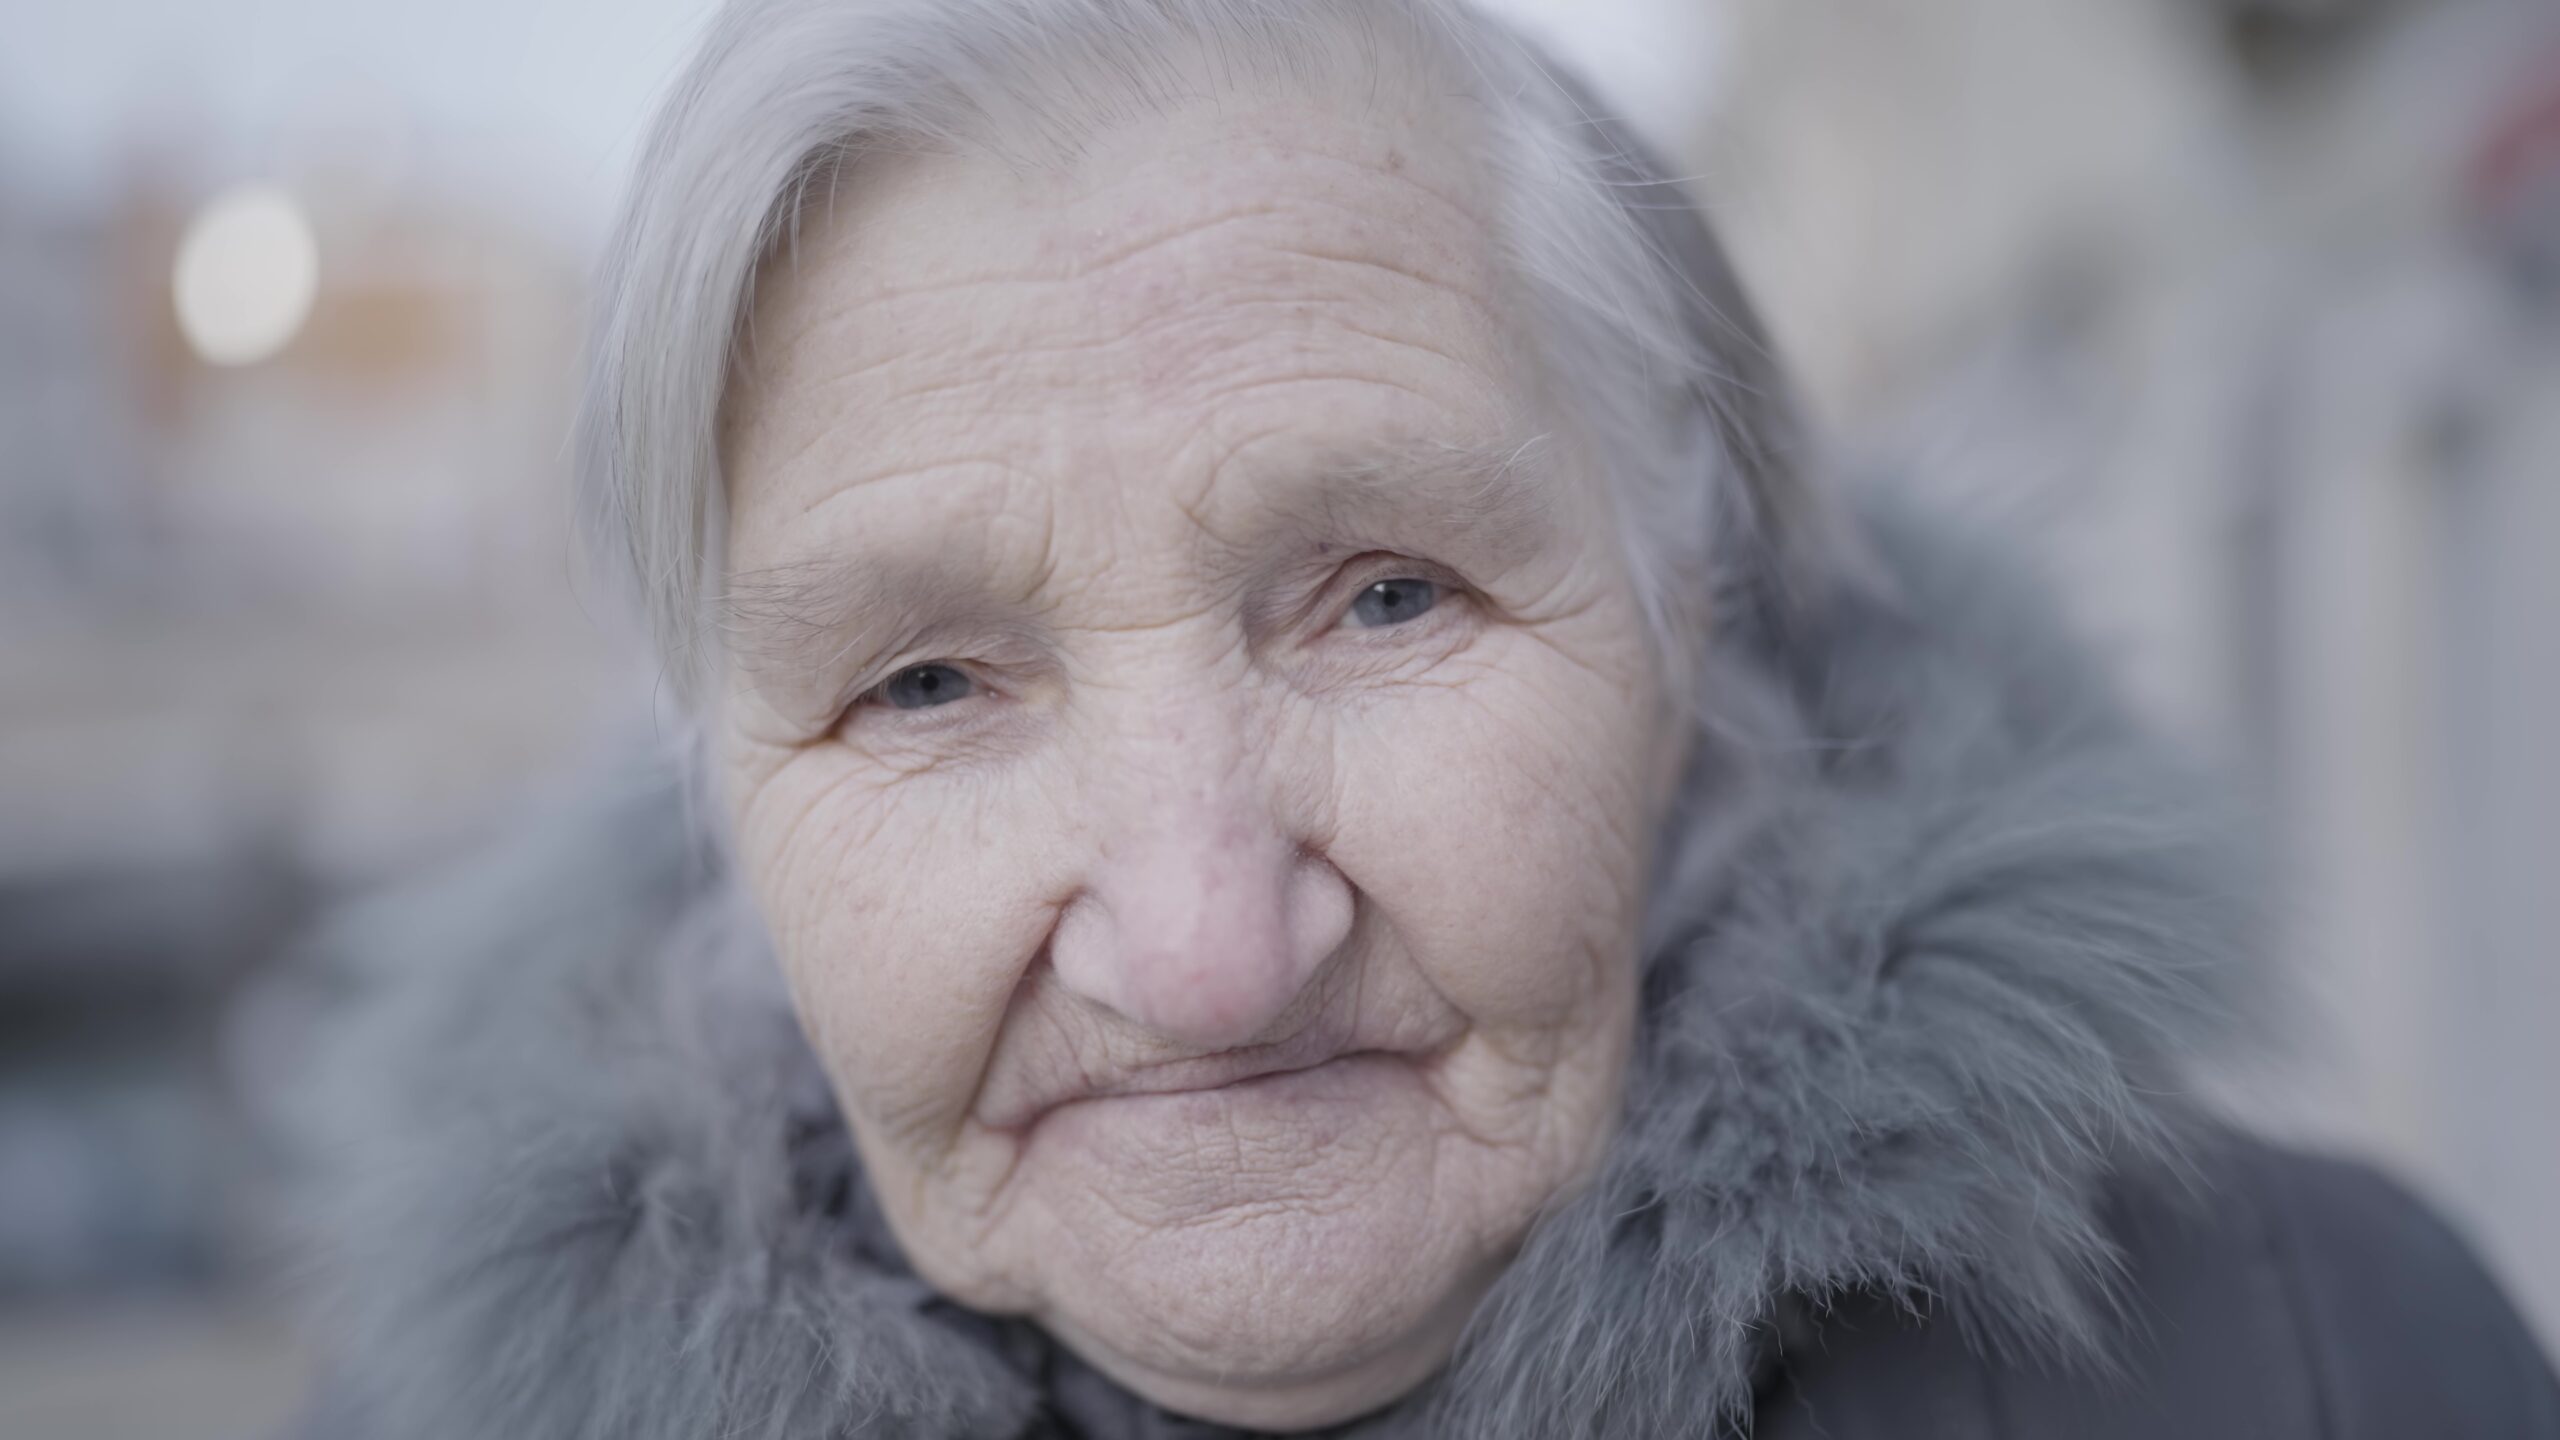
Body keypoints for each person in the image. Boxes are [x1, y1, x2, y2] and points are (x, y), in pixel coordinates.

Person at [267, 1, 2560, 1436]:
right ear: (718, 793)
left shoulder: (2325, 1361)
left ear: (1689, 616)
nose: (1204, 950)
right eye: (930, 682)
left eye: (1384, 597)